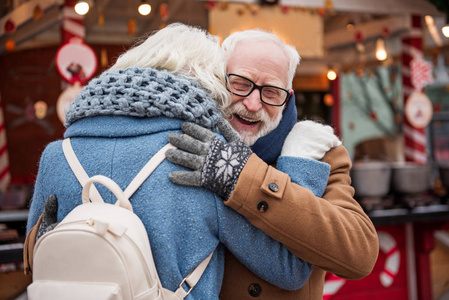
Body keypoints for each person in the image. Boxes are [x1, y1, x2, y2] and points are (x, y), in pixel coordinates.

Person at [25, 24, 332, 299]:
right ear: (207, 82)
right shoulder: (204, 159)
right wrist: (298, 162)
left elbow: (35, 261)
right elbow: (289, 270)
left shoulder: (56, 156)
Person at [165, 29, 379, 299]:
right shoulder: (191, 144)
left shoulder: (320, 153)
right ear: (219, 81)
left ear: (287, 98)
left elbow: (359, 255)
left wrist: (243, 178)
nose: (253, 104)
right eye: (241, 84)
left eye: (271, 92)